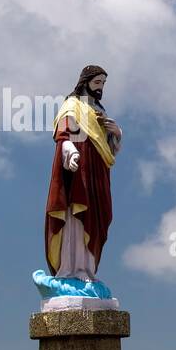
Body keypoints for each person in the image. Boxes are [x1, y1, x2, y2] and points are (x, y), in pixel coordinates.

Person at [44, 65, 123, 280]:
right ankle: (71, 269)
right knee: (77, 217)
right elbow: (63, 135)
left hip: (98, 171)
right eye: (97, 83)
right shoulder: (73, 105)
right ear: (85, 82)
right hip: (79, 170)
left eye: (103, 84)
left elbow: (110, 148)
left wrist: (116, 133)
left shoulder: (100, 111)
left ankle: (87, 269)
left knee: (96, 219)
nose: (100, 88)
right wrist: (68, 151)